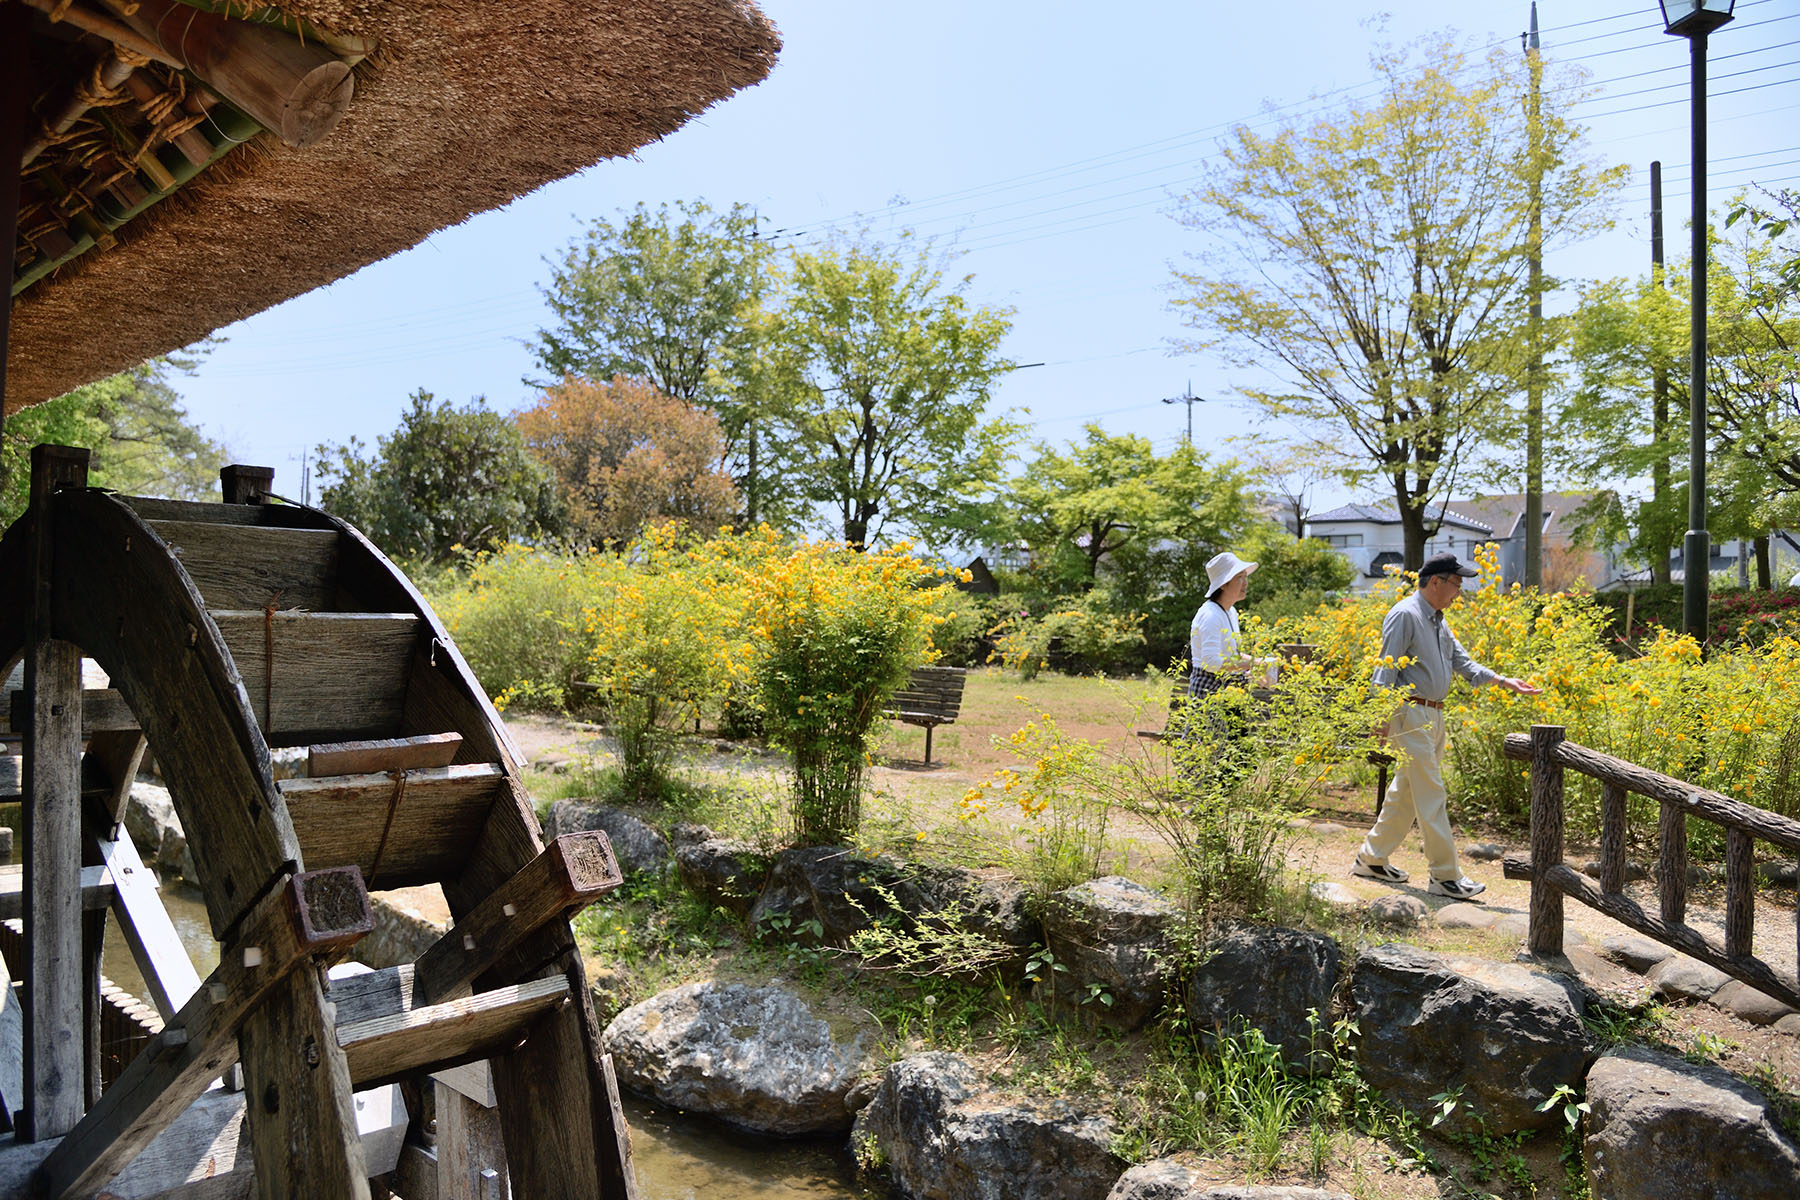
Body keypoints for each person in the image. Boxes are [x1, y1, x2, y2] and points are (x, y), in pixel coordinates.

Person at [1351, 552, 1540, 899]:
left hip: (1433, 715)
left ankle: (1371, 858)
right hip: (1409, 714)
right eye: (1456, 584)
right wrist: (1379, 718)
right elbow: (1386, 668)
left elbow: (1462, 662)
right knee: (1432, 793)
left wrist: (1503, 680)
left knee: (1406, 793)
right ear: (1435, 582)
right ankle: (1444, 875)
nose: (1459, 592)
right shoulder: (1405, 615)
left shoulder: (1438, 620)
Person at [1189, 551, 1260, 698]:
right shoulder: (1211, 615)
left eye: (1245, 577)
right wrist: (1252, 664)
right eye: (1239, 578)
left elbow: (1231, 654)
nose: (1245, 583)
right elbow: (1211, 663)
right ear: (1222, 584)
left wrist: (1260, 662)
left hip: (1229, 687)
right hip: (1208, 689)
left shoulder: (1230, 611)